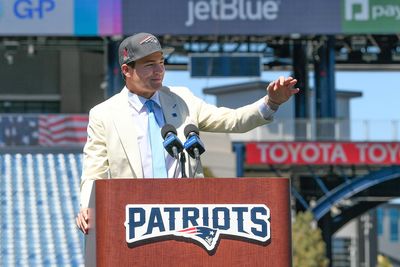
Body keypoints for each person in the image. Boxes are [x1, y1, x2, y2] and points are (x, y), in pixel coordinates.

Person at [76, 32, 299, 234]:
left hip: (186, 217)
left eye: (161, 62)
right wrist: (87, 206)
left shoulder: (182, 99)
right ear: (126, 70)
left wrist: (271, 102)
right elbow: (94, 172)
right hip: (133, 222)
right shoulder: (104, 114)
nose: (159, 70)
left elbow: (232, 121)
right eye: (149, 64)